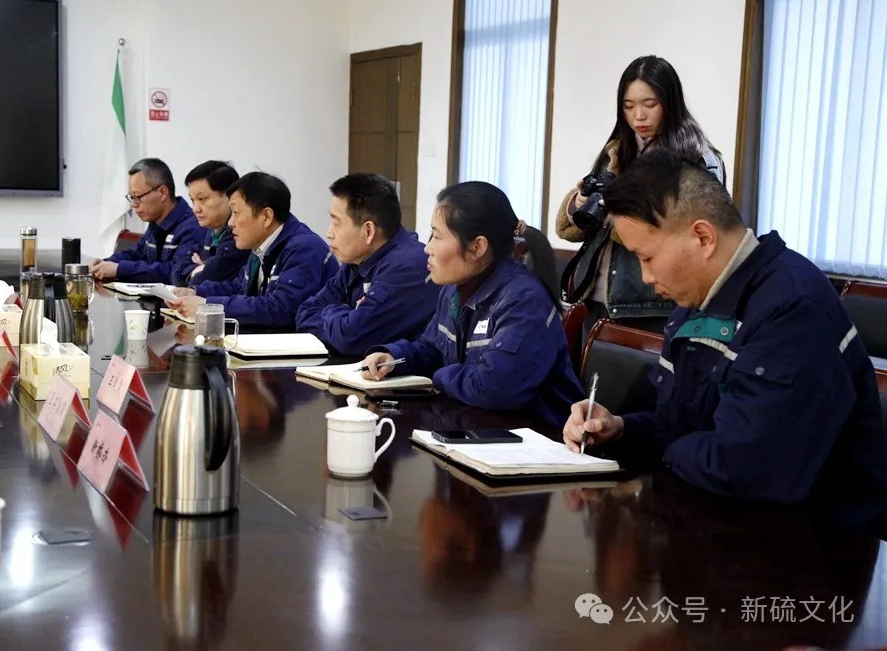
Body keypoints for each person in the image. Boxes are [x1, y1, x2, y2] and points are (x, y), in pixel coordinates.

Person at [561, 150, 887, 524]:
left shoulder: (793, 308)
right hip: (715, 519)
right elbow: (679, 425)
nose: (646, 277)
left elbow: (745, 467)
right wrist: (620, 430)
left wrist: (666, 449)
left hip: (812, 543)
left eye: (646, 257)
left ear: (702, 237)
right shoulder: (696, 300)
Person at [360, 181, 583, 426]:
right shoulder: (454, 289)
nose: (428, 248)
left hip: (537, 437)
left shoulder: (523, 300)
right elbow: (433, 349)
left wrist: (439, 376)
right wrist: (394, 358)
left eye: (437, 236)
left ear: (478, 247)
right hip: (474, 426)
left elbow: (494, 388)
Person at [556, 55, 725, 335]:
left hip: (652, 305)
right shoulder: (616, 151)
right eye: (628, 106)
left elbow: (687, 235)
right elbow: (573, 229)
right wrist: (580, 203)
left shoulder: (695, 158)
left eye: (650, 104)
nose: (639, 116)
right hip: (593, 298)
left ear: (670, 102)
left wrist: (620, 216)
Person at [167, 171, 338, 328]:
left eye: (236, 213)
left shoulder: (304, 248)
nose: (230, 223)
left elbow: (282, 309)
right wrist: (196, 292)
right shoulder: (261, 246)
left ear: (266, 216)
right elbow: (239, 287)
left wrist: (207, 305)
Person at [295, 173, 438, 356]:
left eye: (337, 223)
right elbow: (305, 313)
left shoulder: (406, 267)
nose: (329, 233)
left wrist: (332, 313)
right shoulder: (357, 261)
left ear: (368, 230)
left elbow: (352, 339)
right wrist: (345, 317)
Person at [90, 158, 205, 284]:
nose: (133, 205)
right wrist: (105, 263)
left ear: (162, 193)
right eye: (131, 197)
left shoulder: (193, 226)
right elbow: (135, 254)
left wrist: (119, 269)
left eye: (137, 197)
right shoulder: (155, 222)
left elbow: (175, 272)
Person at [176, 160, 250, 286]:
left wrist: (201, 270)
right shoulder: (206, 228)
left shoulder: (240, 234)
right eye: (192, 200)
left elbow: (208, 278)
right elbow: (177, 269)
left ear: (229, 197)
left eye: (202, 199)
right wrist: (198, 270)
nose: (195, 209)